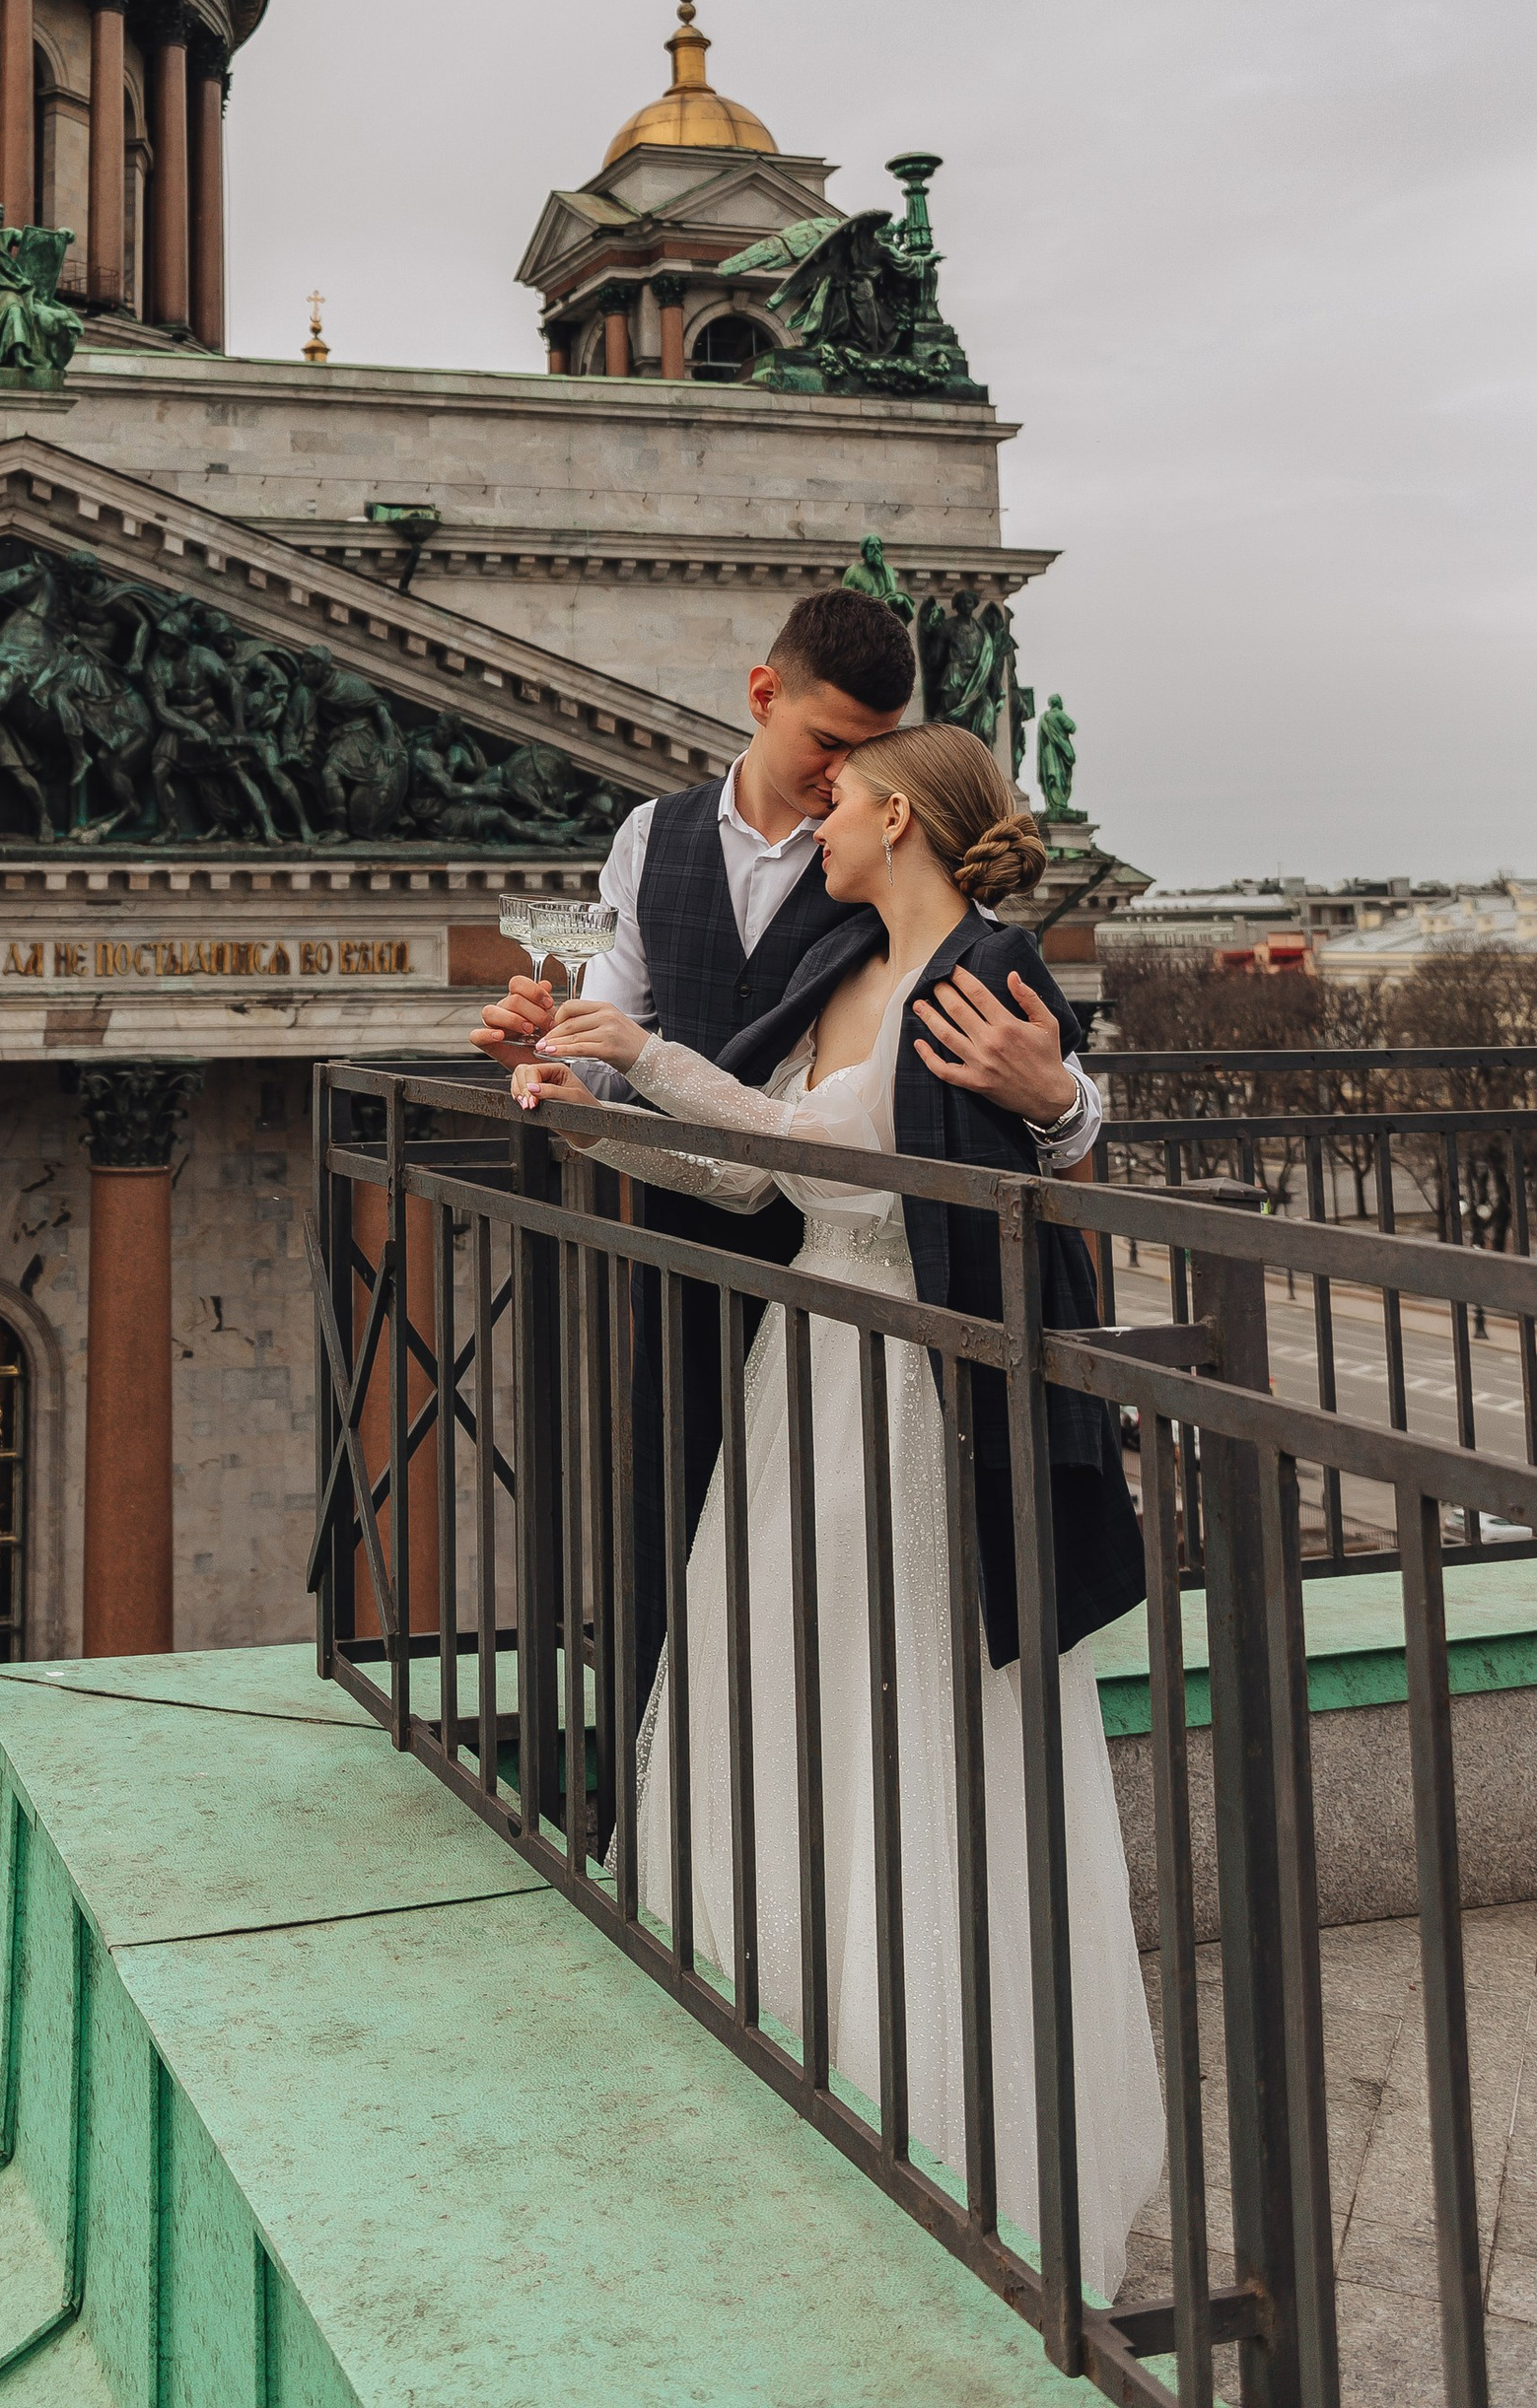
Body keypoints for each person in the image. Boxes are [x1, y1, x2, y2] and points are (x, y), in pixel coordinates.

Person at [509, 724, 1162, 2302]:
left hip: (919, 1412)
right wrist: (576, 1102)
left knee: (920, 1728)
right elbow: (751, 1181)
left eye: (844, 805)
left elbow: (958, 1148)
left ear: (898, 817)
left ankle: (951, 2123)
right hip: (809, 1387)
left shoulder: (993, 975)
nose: (819, 821)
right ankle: (790, 2063)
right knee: (788, 1703)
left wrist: (1061, 1095)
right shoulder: (848, 965)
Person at [472, 586, 1103, 1686]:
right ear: (763, 696)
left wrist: (1058, 1099)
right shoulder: (651, 837)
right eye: (828, 745)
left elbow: (1034, 1091)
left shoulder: (901, 888)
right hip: (694, 1241)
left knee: (848, 1599)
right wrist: (552, 1064)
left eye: (864, 762)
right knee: (686, 1550)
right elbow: (623, 1034)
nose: (835, 783)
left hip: (865, 1286)